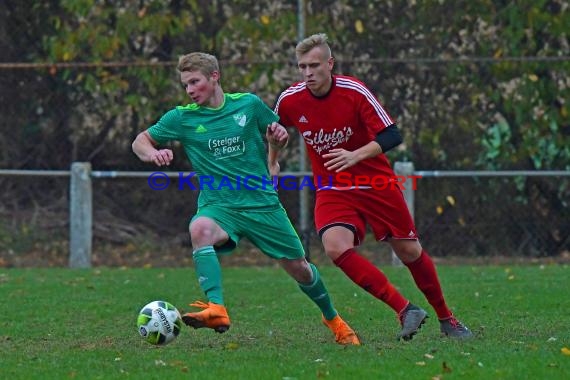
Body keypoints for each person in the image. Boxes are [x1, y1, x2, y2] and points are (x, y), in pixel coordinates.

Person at [132, 52, 360, 345]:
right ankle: (217, 308)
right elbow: (140, 141)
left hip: (261, 203)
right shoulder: (182, 117)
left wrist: (276, 146)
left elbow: (277, 134)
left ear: (215, 77)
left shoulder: (248, 105)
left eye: (194, 82)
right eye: (185, 85)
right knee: (199, 229)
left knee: (300, 268)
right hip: (220, 205)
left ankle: (333, 319)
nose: (189, 90)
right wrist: (152, 153)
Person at [274, 33, 472, 340]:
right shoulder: (290, 99)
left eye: (314, 65)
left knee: (409, 251)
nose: (307, 73)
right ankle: (406, 310)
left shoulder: (353, 91)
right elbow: (275, 131)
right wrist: (273, 157)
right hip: (332, 186)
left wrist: (355, 155)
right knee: (335, 247)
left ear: (330, 64)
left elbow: (392, 135)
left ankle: (448, 320)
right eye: (302, 66)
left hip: (374, 183)